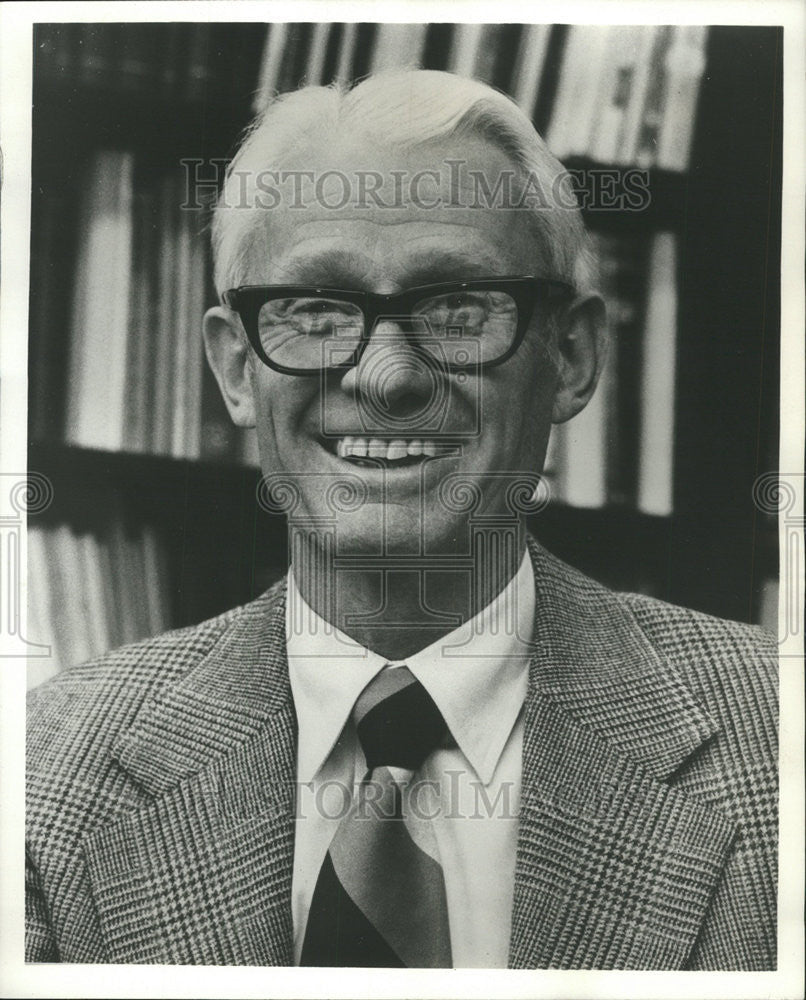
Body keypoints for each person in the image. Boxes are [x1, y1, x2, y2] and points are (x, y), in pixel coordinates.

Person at [26, 70, 777, 969]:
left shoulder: (782, 745)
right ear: (233, 368)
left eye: (458, 306)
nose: (386, 379)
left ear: (572, 357)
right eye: (315, 309)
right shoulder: (42, 775)